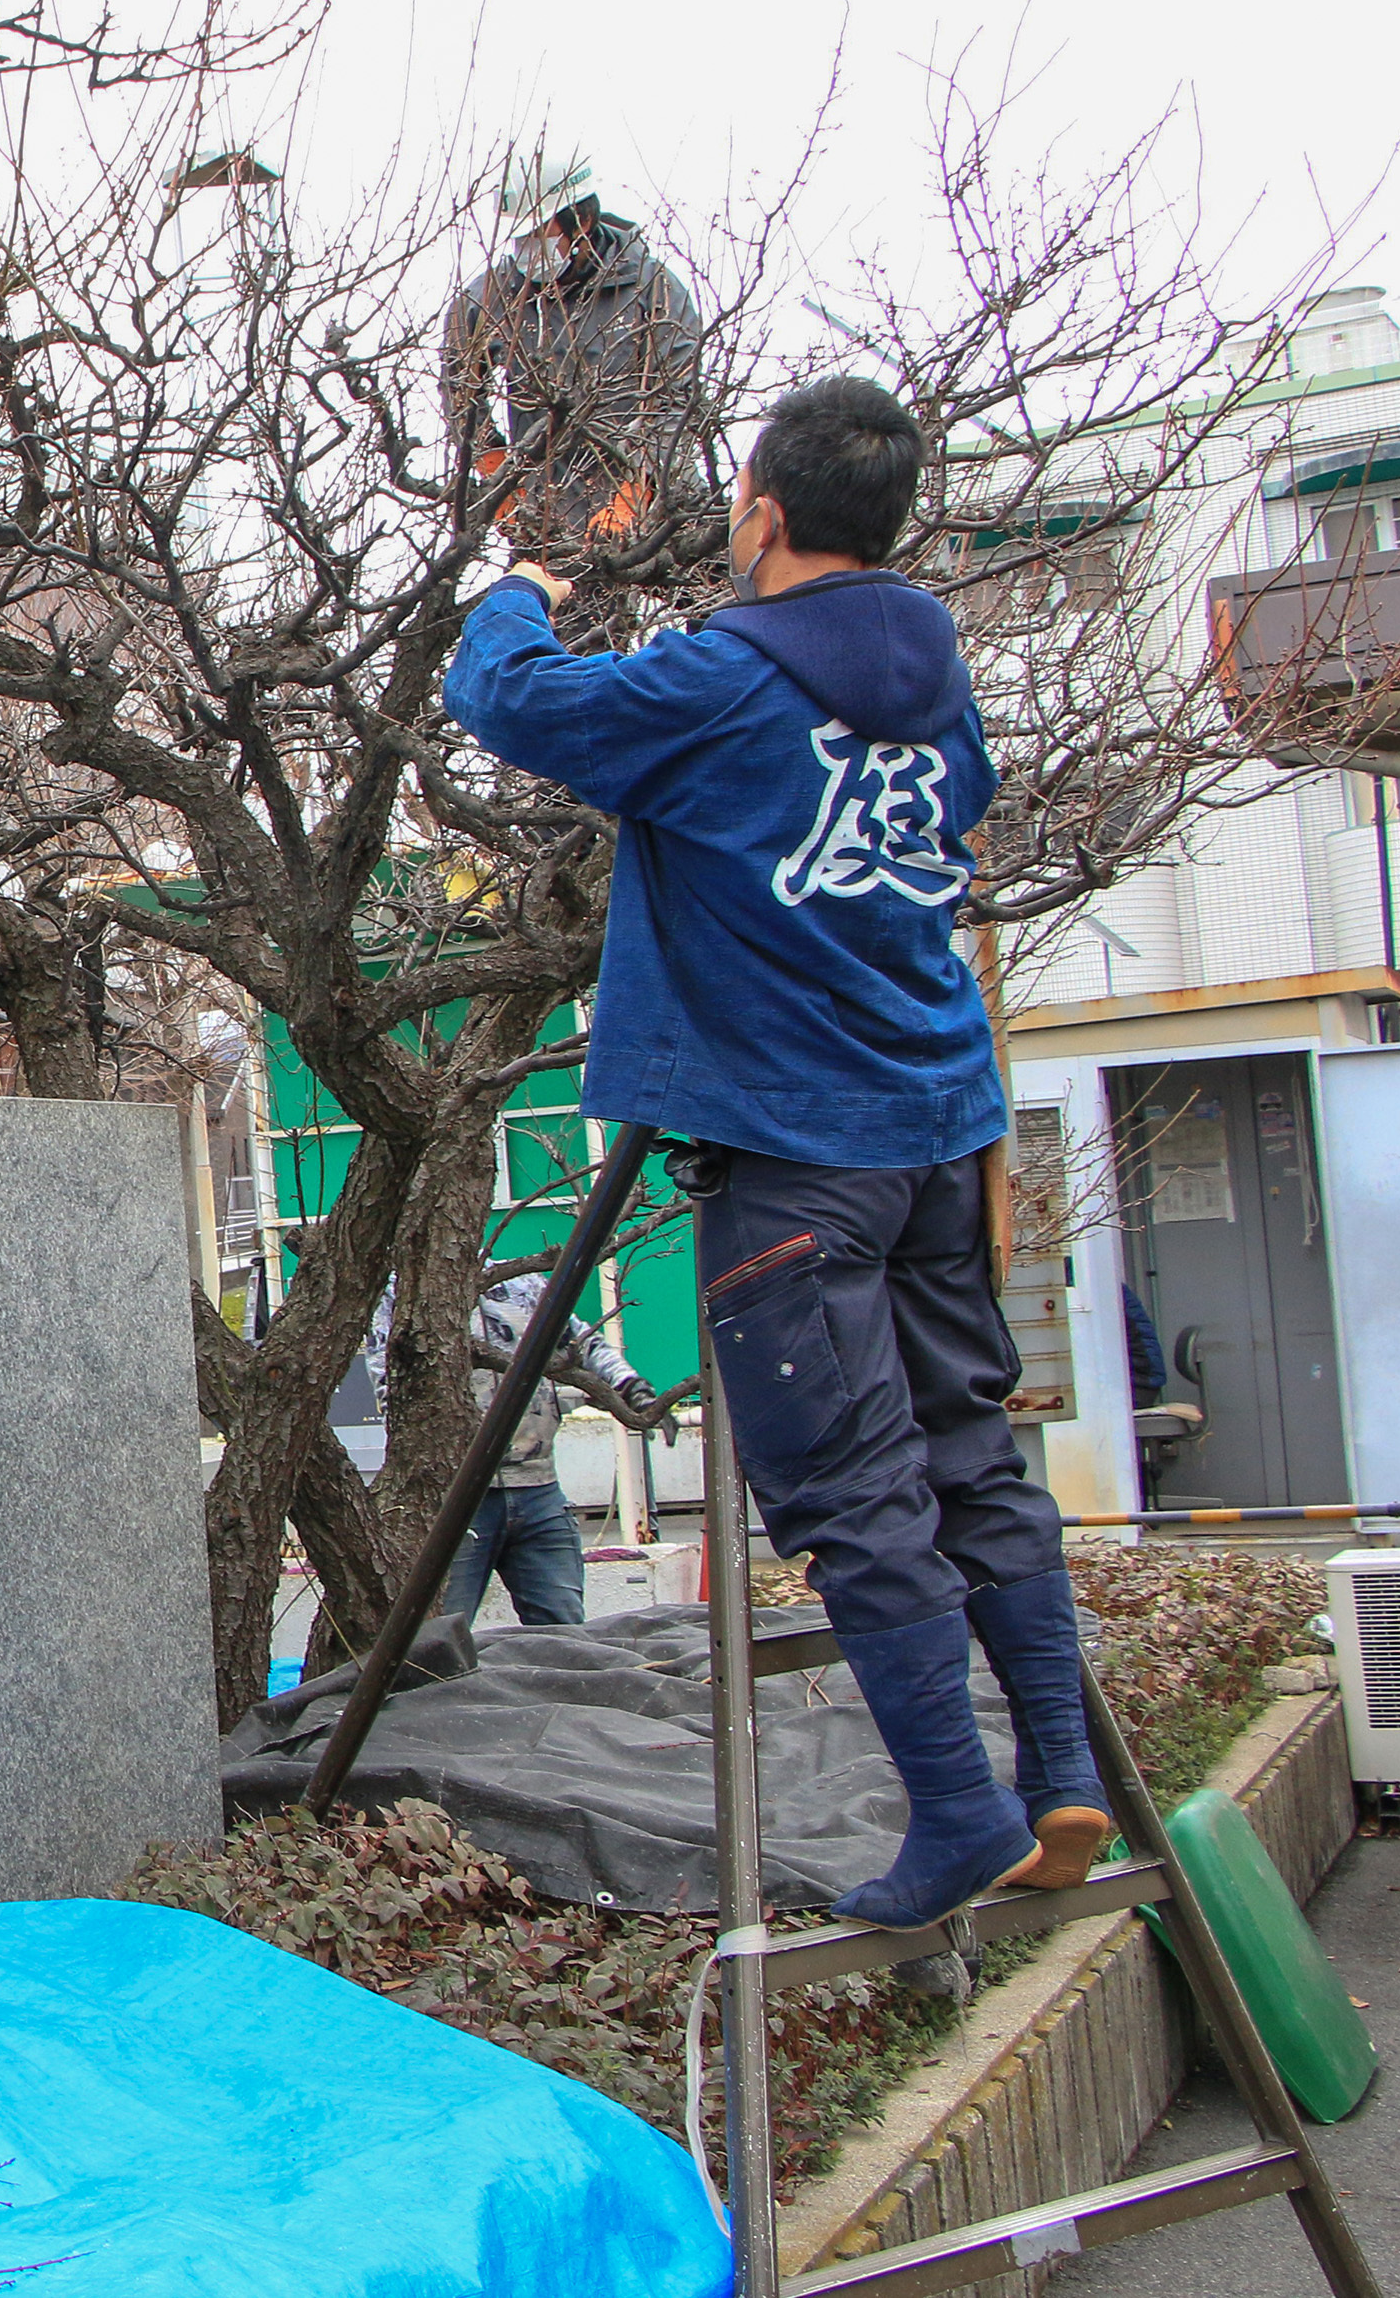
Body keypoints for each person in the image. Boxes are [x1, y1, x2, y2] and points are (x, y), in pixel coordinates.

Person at [445, 373, 1104, 1932]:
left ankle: (956, 1810)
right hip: (937, 1127)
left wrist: (515, 598)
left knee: (856, 1494)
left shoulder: (725, 678)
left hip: (794, 1155)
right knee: (971, 1457)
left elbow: (522, 708)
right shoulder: (939, 682)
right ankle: (1061, 1770)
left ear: (761, 512)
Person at [442, 146, 707, 570]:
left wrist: (639, 487)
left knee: (704, 611)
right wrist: (495, 472)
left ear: (582, 220)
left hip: (658, 506)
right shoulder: (492, 297)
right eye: (520, 237)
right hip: (549, 518)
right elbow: (460, 389)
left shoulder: (651, 290)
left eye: (539, 234)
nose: (528, 248)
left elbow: (679, 397)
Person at [365, 1272, 640, 1629]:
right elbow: (386, 1379)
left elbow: (583, 1343)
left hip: (539, 1488)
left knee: (564, 1629)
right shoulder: (401, 1293)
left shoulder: (524, 1285)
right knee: (440, 1633)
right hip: (454, 1497)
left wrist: (628, 1384)